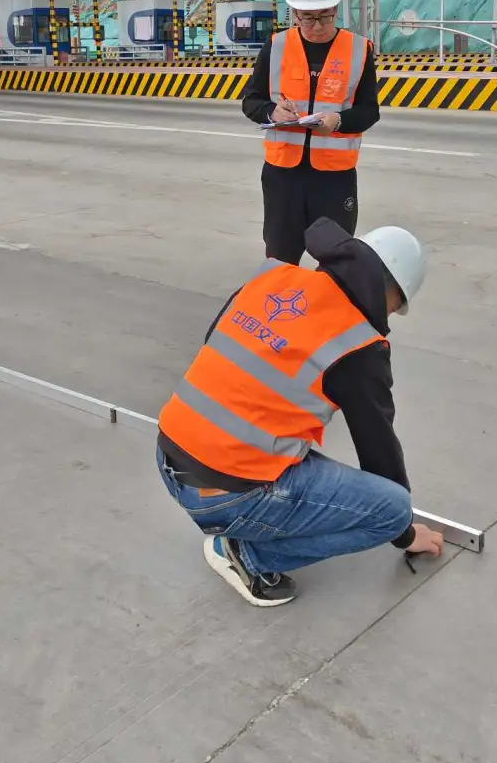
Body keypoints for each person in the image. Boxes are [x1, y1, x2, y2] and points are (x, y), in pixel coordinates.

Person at [156, 217, 444, 606]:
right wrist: (405, 532)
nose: (390, 316)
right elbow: (378, 449)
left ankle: (241, 517)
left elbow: (217, 344)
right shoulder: (359, 344)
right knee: (391, 509)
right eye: (397, 307)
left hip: (168, 453)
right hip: (224, 495)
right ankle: (247, 556)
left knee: (292, 445)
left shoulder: (273, 277)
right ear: (391, 292)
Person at [242, 0, 379, 266]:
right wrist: (272, 112)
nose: (317, 26)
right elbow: (251, 101)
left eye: (325, 16)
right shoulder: (275, 47)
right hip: (283, 177)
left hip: (334, 178)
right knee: (280, 260)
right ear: (295, 13)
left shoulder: (359, 50)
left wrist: (339, 121)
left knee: (337, 262)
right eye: (308, 18)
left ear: (336, 9)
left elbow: (370, 111)